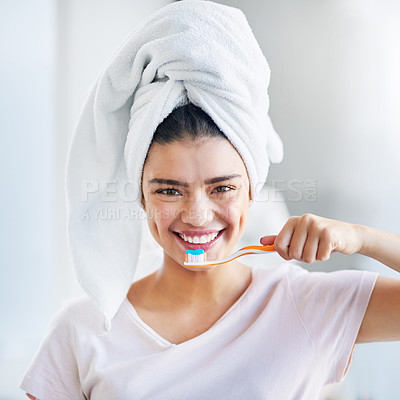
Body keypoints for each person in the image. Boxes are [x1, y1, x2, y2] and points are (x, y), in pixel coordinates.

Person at [21, 2, 400, 400]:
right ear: (140, 195)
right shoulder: (81, 330)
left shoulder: (307, 306)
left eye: (222, 188)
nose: (197, 215)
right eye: (169, 190)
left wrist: (361, 238)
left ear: (252, 189)